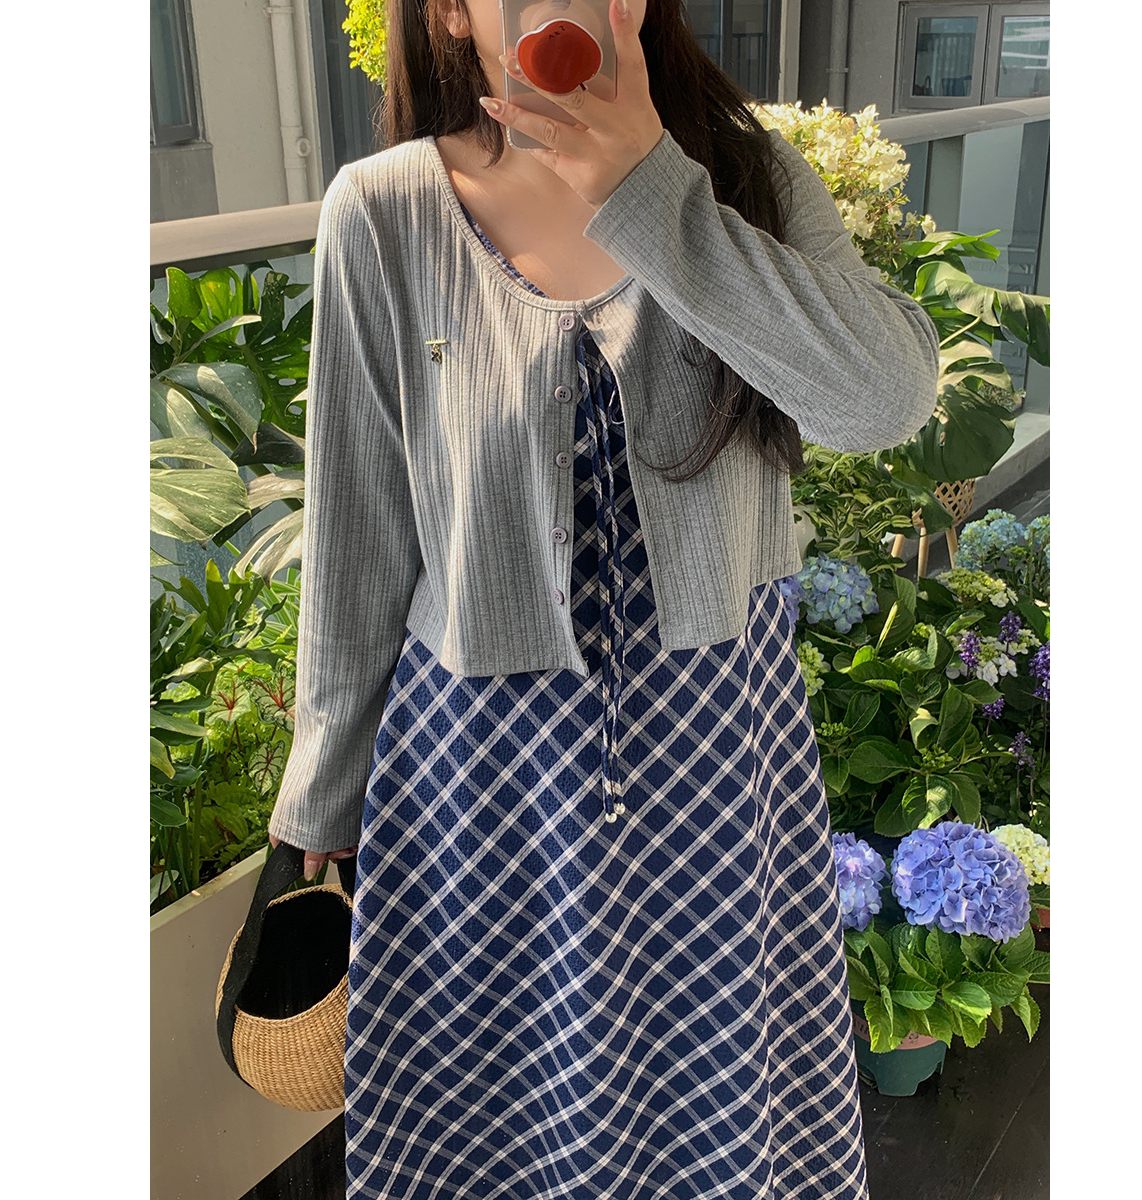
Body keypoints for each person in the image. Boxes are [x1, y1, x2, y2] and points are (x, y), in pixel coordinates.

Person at [268, 0, 939, 1196]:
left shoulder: (745, 179)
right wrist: (324, 791)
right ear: (450, 10)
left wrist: (651, 192)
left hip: (717, 773)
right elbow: (359, 530)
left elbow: (881, 403)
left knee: (716, 1135)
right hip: (481, 790)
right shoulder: (384, 210)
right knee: (497, 1142)